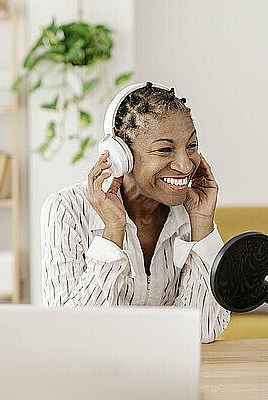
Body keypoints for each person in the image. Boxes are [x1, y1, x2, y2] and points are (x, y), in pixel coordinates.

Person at [40, 82, 230, 343]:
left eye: (191, 145)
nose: (185, 165)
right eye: (165, 149)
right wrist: (113, 232)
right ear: (120, 156)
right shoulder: (66, 210)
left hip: (169, 374)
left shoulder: (190, 210)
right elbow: (66, 334)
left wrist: (202, 222)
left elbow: (204, 329)